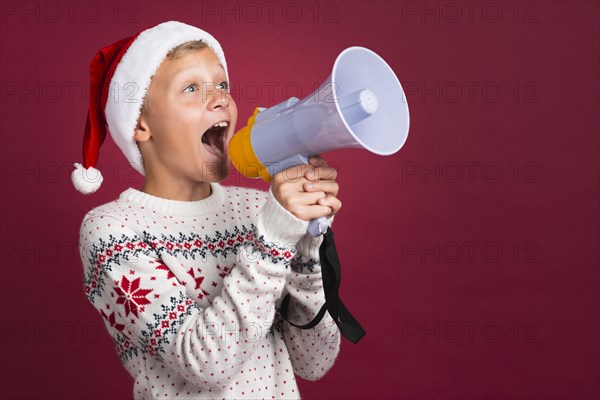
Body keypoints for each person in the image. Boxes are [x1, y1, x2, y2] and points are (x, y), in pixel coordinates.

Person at [73, 21, 342, 399]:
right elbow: (205, 364)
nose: (219, 99)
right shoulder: (112, 231)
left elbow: (315, 361)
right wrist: (275, 237)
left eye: (222, 85)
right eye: (191, 88)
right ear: (141, 125)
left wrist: (306, 252)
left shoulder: (256, 209)